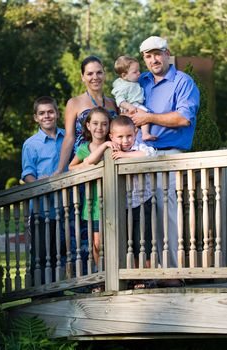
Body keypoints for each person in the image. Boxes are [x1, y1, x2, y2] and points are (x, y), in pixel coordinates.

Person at [129, 36, 200, 276]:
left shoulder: (183, 82)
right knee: (139, 218)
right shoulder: (142, 81)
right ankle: (145, 274)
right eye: (147, 56)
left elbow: (184, 118)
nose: (153, 60)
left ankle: (172, 274)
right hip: (139, 157)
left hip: (169, 157)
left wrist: (148, 118)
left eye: (157, 54)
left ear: (167, 53)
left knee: (167, 217)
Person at [21, 96, 65, 285]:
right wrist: (39, 183)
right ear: (36, 118)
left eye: (50, 112)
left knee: (62, 252)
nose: (47, 116)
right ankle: (38, 296)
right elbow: (27, 173)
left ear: (57, 113)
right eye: (42, 113)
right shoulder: (31, 144)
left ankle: (59, 291)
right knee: (40, 253)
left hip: (67, 204)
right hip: (41, 208)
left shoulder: (67, 138)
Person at [109, 116, 156, 284]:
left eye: (129, 136)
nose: (125, 140)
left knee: (145, 240)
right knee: (131, 242)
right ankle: (136, 278)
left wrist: (124, 155)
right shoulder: (111, 152)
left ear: (135, 133)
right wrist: (118, 153)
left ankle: (149, 277)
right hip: (124, 205)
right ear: (111, 137)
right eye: (120, 137)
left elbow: (149, 154)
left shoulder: (140, 147)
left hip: (144, 201)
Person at [68, 107, 115, 268]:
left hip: (113, 199)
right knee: (96, 243)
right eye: (95, 123)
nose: (99, 127)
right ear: (88, 125)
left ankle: (115, 272)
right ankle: (101, 275)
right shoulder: (84, 148)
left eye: (104, 124)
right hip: (93, 204)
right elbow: (72, 167)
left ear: (109, 126)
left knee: (114, 240)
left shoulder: (114, 145)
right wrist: (86, 166)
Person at [56, 55, 117, 174]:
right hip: (85, 164)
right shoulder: (74, 103)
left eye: (99, 72)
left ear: (104, 74)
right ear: (83, 77)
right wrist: (60, 169)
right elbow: (69, 137)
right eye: (89, 74)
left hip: (110, 162)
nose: (95, 77)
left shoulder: (113, 103)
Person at [111, 55, 156, 142]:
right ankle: (145, 134)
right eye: (135, 72)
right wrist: (130, 107)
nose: (139, 73)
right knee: (145, 115)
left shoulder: (132, 82)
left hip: (135, 105)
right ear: (124, 75)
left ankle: (136, 138)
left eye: (138, 70)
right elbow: (120, 101)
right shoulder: (122, 86)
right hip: (132, 106)